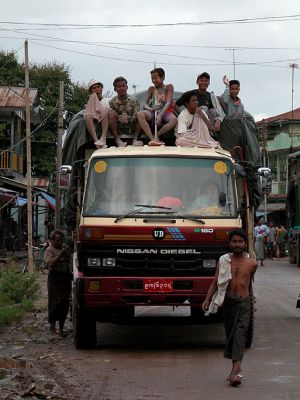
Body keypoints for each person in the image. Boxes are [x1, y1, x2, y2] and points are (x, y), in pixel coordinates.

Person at [202, 229, 257, 387]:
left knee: (240, 333)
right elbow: (215, 282)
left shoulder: (252, 263)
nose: (237, 244)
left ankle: (235, 369)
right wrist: (208, 299)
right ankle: (235, 365)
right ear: (229, 243)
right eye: (234, 241)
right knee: (231, 335)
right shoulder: (224, 261)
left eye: (240, 242)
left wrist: (251, 302)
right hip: (228, 303)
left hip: (244, 303)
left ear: (245, 244)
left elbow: (248, 284)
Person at [137, 67, 177, 146]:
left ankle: (157, 135)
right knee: (140, 114)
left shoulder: (169, 87)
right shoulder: (151, 89)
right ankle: (152, 139)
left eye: (155, 78)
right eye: (152, 78)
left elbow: (168, 102)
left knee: (174, 119)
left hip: (165, 112)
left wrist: (160, 115)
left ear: (163, 77)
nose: (153, 81)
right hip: (153, 112)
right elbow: (145, 104)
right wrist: (151, 108)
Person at [43, 229, 72, 337]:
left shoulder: (65, 248)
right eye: (57, 240)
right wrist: (60, 254)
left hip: (65, 278)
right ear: (52, 240)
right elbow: (50, 263)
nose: (59, 242)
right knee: (54, 303)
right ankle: (52, 328)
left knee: (64, 304)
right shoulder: (49, 250)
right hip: (55, 279)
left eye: (61, 240)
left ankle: (61, 328)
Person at [109, 76, 142, 147]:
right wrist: (119, 118)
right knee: (110, 113)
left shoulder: (134, 100)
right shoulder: (112, 102)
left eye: (123, 86)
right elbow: (112, 116)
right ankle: (117, 140)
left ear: (127, 87)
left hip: (132, 126)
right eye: (119, 86)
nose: (121, 88)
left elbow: (137, 115)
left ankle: (135, 140)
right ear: (115, 89)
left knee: (141, 115)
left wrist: (128, 119)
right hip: (119, 128)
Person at [84, 79, 109, 149]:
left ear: (101, 88)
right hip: (95, 120)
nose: (97, 89)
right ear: (91, 91)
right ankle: (96, 141)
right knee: (88, 116)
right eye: (94, 88)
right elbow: (87, 114)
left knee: (105, 111)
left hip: (104, 119)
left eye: (98, 87)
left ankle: (103, 138)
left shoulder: (107, 101)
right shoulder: (90, 103)